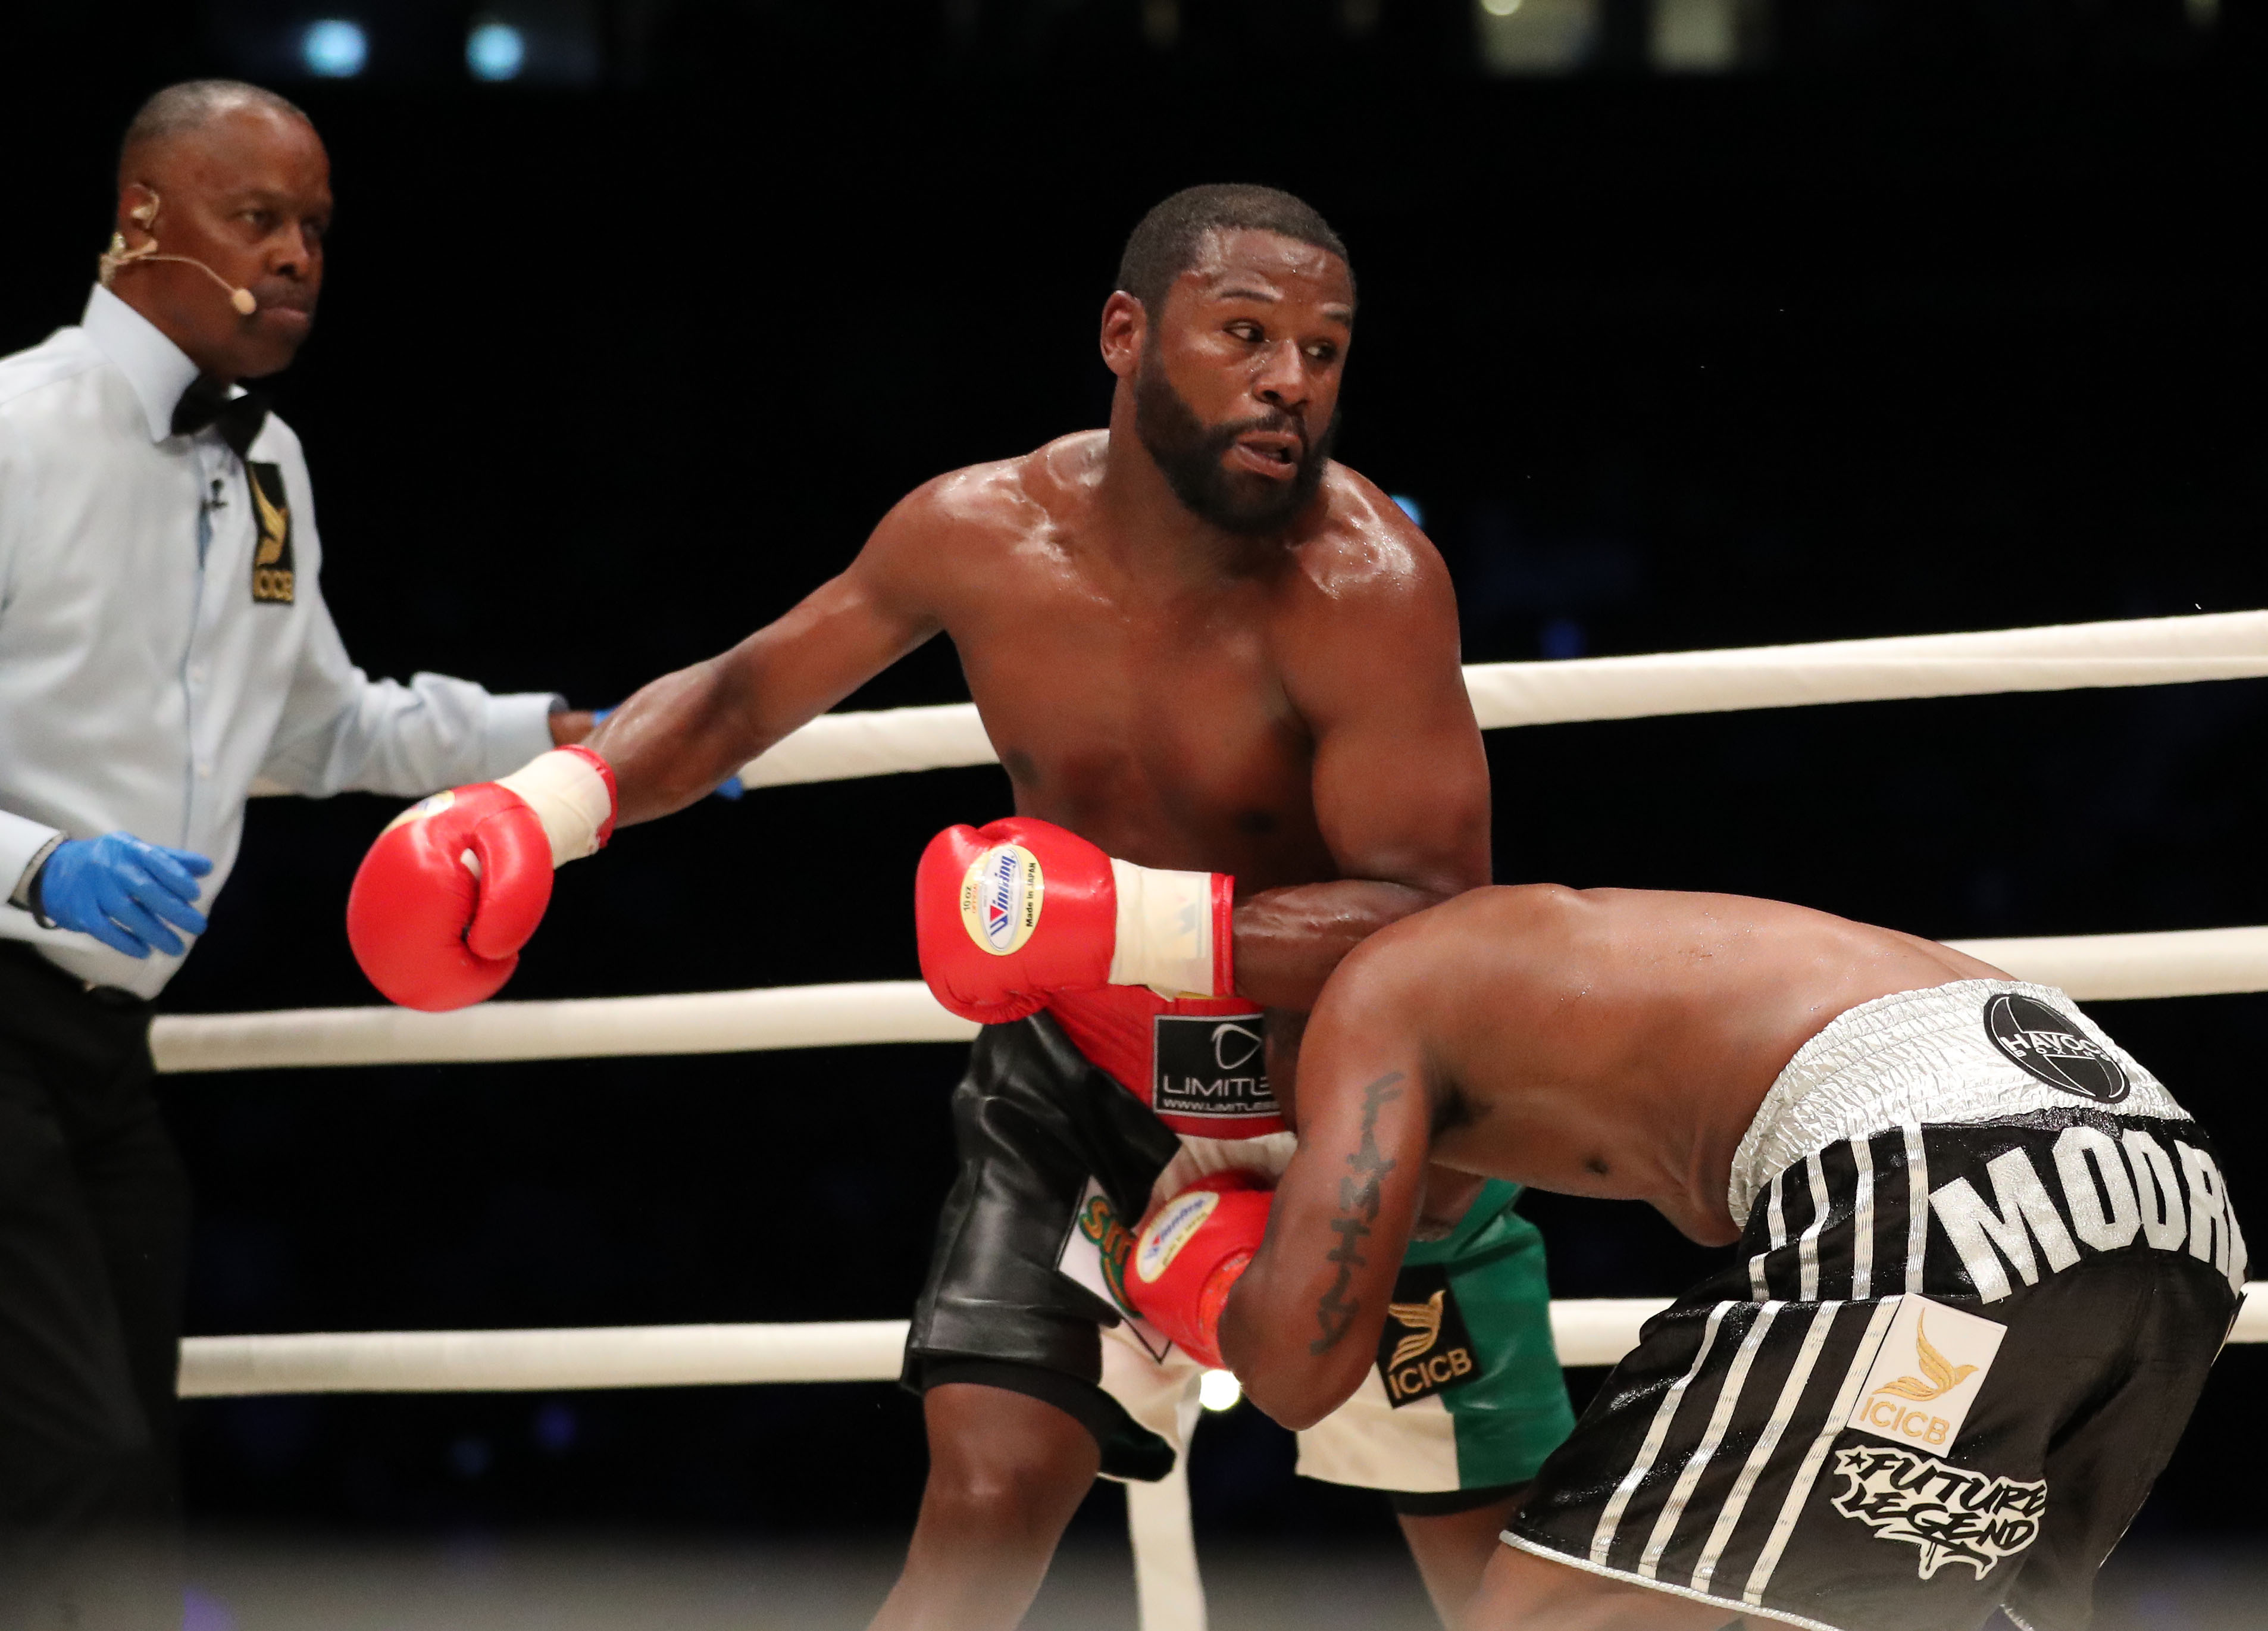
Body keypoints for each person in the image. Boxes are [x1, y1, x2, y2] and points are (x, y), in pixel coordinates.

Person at [346, 184, 1575, 1627]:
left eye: (1322, 349)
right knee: (980, 1508)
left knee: (1509, 1596)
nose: (1288, 381)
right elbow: (747, 690)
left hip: (1345, 1090)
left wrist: (1118, 920)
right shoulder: (976, 531)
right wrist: (544, 811)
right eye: (1243, 332)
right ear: (1125, 332)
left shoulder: (1364, 585)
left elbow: (1437, 919)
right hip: (1086, 1079)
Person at [0, 80, 592, 1626]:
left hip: (103, 1049)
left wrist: (575, 735)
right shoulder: (11, 426)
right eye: (256, 218)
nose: (297, 256)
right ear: (141, 215)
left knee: (125, 1476)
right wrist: (30, 867)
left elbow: (326, 729)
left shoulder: (269, 469)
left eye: (315, 227)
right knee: (75, 1453)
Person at [1181, 883, 2244, 1630]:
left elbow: (1295, 1369)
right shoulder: (1569, 962)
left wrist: (1202, 1271)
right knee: (1820, 1606)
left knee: (1550, 1619)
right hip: (2171, 1198)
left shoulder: (1371, 996)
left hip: (1941, 1176)